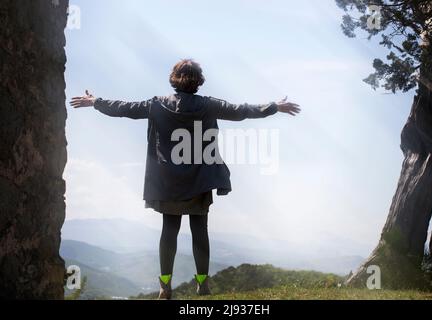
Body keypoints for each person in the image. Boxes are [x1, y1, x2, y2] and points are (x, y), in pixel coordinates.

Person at [70, 59, 300, 299]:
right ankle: (202, 284)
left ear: (173, 78)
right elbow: (242, 111)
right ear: (199, 81)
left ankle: (165, 285)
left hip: (169, 180)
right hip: (200, 178)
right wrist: (274, 106)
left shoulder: (157, 104)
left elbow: (124, 108)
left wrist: (95, 102)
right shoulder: (209, 105)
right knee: (199, 229)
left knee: (169, 229)